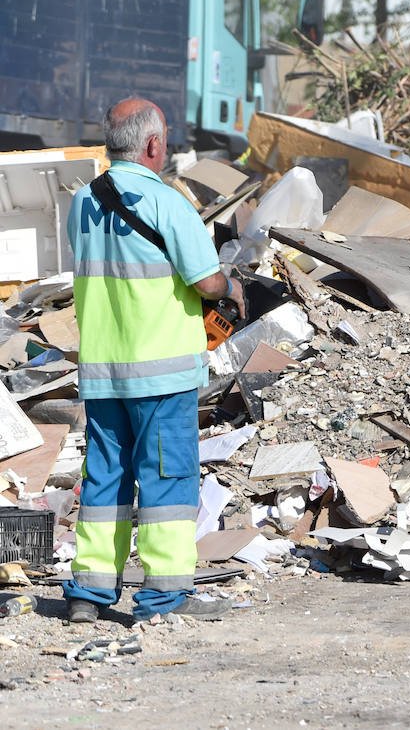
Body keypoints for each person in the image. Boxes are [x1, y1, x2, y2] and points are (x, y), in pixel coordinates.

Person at [63, 98, 246, 623]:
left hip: (103, 371)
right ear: (151, 144)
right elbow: (207, 281)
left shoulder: (83, 203)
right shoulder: (168, 204)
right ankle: (163, 596)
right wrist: (232, 285)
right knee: (167, 482)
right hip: (161, 372)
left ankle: (88, 593)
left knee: (104, 480)